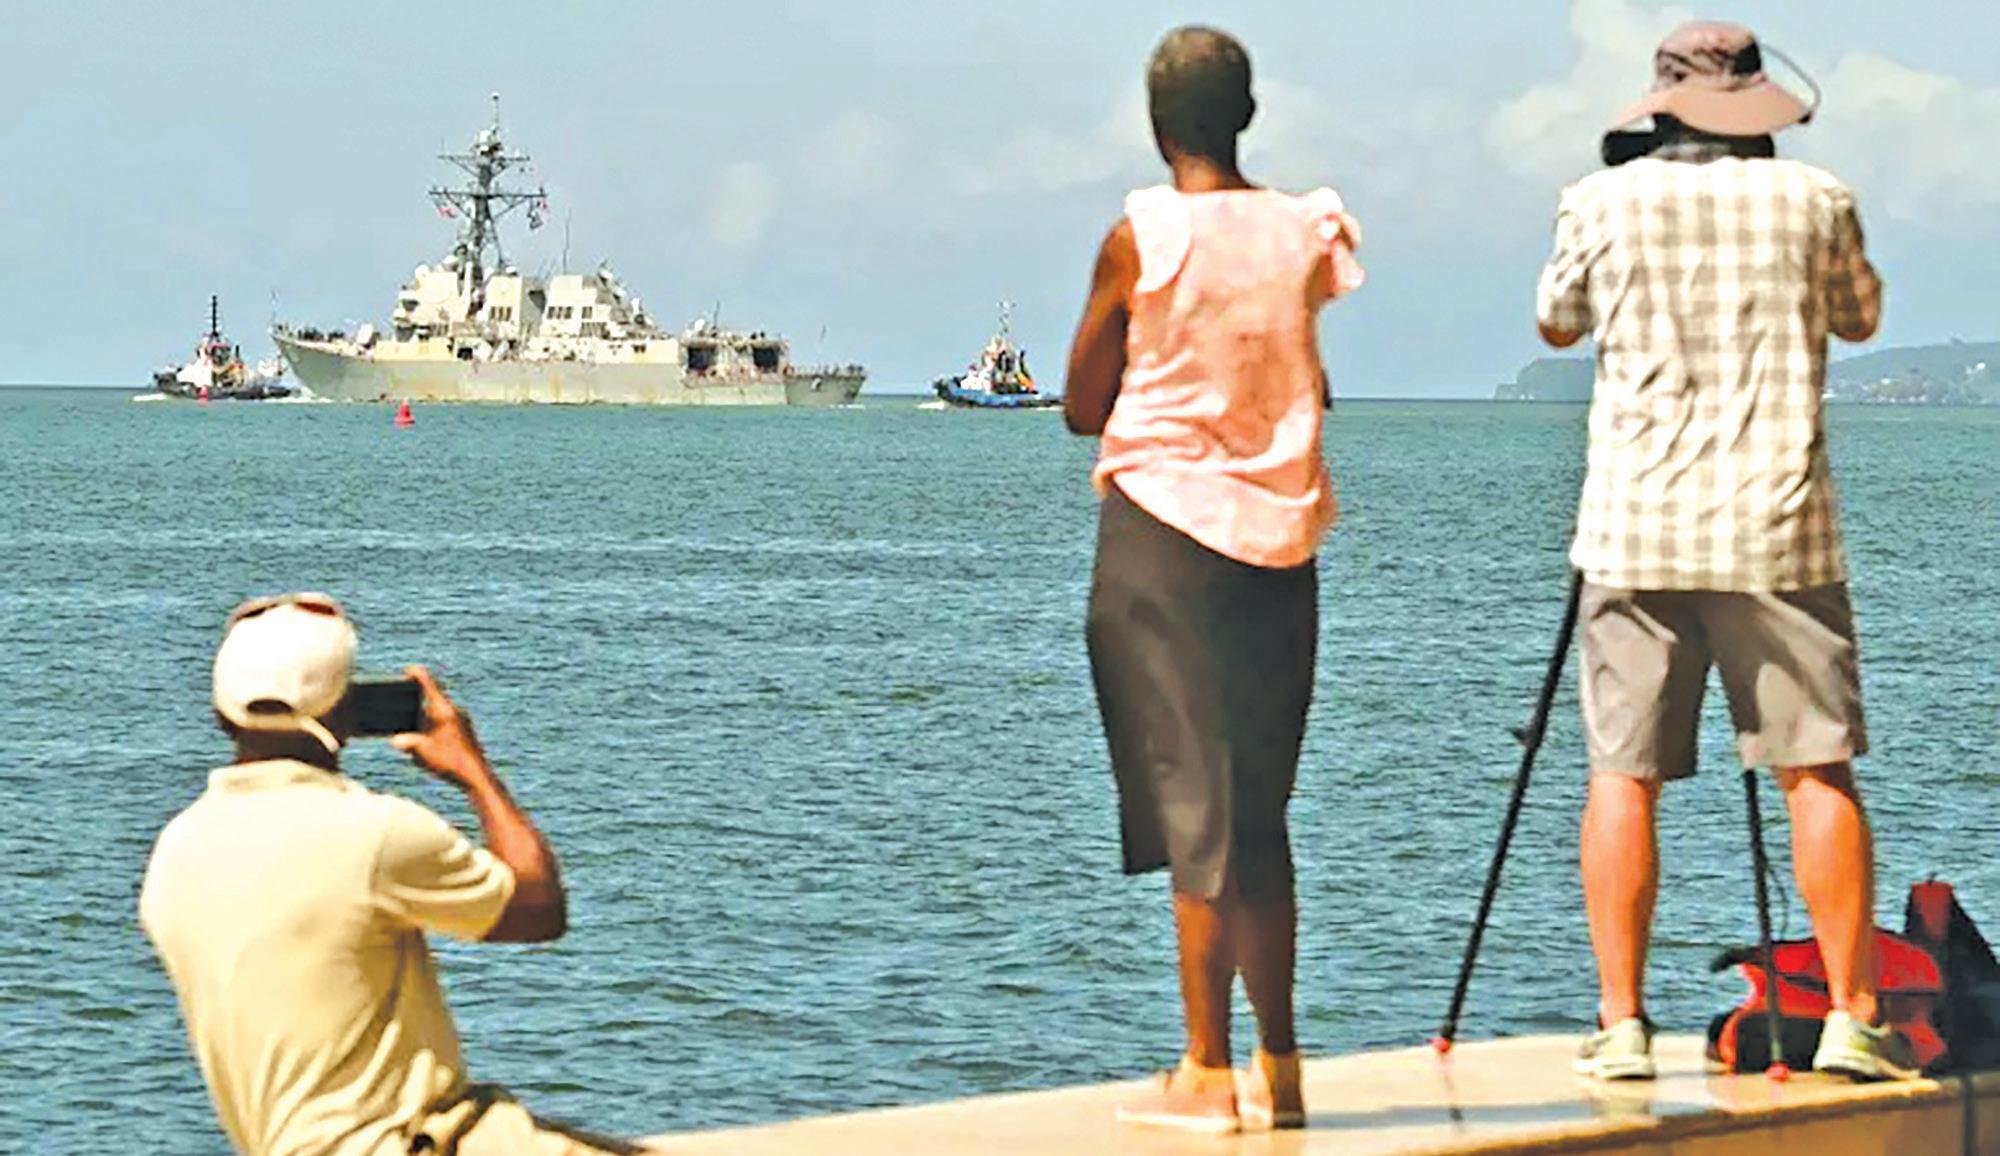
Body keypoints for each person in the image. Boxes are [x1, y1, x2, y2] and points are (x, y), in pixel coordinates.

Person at [1536, 22, 1912, 1082]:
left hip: (1632, 528)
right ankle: (1852, 1018)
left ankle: (1620, 1025)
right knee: (1814, 769)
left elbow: (1555, 321)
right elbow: (1860, 317)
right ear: (1756, 109)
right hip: (1776, 529)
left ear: (1660, 107)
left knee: (1623, 774)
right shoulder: (1816, 200)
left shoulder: (1597, 202)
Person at [1063, 25, 1362, 1134]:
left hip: (1163, 538)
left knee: (1197, 809)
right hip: (1281, 544)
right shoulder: (1306, 230)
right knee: (1258, 811)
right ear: (1247, 115)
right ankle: (1279, 1060)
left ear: (1156, 128)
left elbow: (1082, 401)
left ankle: (1206, 1069)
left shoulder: (1143, 234)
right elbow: (1301, 373)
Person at [139, 593, 642, 1154]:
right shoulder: (374, 832)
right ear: (346, 711)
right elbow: (538, 908)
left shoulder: (175, 852)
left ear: (219, 715)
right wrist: (473, 771)